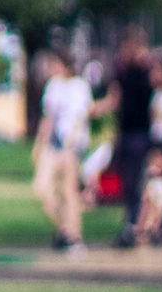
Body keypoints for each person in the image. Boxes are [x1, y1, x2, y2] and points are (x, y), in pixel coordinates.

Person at [94, 29, 155, 248]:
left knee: (137, 181)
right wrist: (93, 109)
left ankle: (136, 225)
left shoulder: (149, 72)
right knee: (128, 183)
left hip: (141, 133)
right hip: (127, 132)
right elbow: (114, 99)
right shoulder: (122, 74)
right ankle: (131, 224)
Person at [34, 51, 91, 254]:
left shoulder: (79, 86)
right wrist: (39, 145)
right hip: (54, 144)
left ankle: (74, 236)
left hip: (72, 144)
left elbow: (82, 116)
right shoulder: (53, 87)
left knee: (69, 191)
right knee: (42, 189)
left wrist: (74, 144)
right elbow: (48, 118)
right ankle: (66, 229)